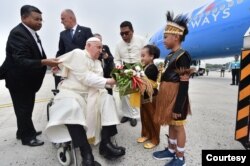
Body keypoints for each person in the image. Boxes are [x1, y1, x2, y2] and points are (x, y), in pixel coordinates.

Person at [45, 37, 125, 166]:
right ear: (88, 45)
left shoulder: (98, 63)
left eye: (101, 47)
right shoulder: (78, 54)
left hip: (92, 94)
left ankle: (106, 144)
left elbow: (98, 82)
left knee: (108, 99)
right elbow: (85, 78)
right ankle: (86, 154)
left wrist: (120, 81)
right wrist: (108, 81)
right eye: (98, 47)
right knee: (72, 108)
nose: (101, 50)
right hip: (72, 92)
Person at [0, 5, 59, 146]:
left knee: (26, 108)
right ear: (24, 18)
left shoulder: (31, 33)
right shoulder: (18, 33)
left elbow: (36, 54)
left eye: (41, 19)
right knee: (23, 109)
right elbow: (20, 60)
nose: (40, 22)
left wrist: (46, 61)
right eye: (36, 19)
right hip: (18, 80)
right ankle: (28, 137)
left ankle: (23, 131)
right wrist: (45, 62)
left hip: (27, 80)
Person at [152, 12, 192, 166]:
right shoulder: (169, 56)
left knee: (178, 125)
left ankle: (180, 157)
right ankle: (171, 149)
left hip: (177, 96)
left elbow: (184, 83)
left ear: (176, 37)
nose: (163, 40)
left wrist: (179, 105)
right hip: (167, 95)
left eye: (165, 37)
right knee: (171, 123)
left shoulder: (183, 55)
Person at [114, 21, 147, 127]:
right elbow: (117, 60)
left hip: (139, 68)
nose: (124, 35)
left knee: (135, 93)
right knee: (124, 94)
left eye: (126, 33)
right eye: (121, 34)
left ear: (132, 31)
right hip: (125, 68)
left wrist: (141, 67)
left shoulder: (141, 40)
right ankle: (126, 114)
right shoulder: (118, 45)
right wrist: (120, 69)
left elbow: (147, 54)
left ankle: (134, 116)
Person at [54, 9, 93, 88]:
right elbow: (61, 52)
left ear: (71, 18)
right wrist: (56, 64)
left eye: (63, 19)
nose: (61, 21)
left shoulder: (86, 31)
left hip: (84, 70)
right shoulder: (62, 34)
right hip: (69, 71)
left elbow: (92, 49)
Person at [137, 45, 160, 149]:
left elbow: (144, 80)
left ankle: (155, 139)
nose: (141, 58)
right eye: (141, 56)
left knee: (152, 118)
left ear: (151, 56)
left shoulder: (152, 68)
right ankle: (146, 134)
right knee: (144, 117)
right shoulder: (144, 67)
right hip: (143, 97)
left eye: (143, 55)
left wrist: (135, 75)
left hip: (151, 98)